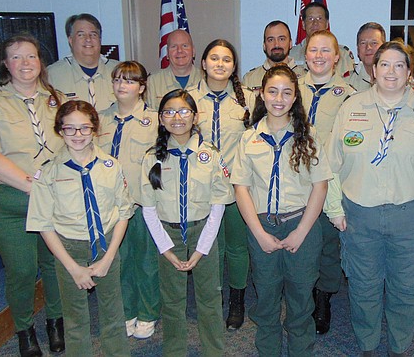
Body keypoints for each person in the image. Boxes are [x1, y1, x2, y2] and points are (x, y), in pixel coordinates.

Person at [324, 41, 414, 355]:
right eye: (385, 64)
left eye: (399, 65)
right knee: (363, 286)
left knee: (407, 289)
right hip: (360, 214)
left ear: (410, 72)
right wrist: (333, 208)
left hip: (412, 215)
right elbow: (331, 164)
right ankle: (368, 345)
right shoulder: (351, 107)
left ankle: (399, 346)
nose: (391, 71)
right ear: (373, 70)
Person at [0, 34, 65, 357]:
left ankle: (56, 322)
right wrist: (31, 186)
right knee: (22, 268)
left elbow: (74, 142)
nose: (25, 64)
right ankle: (24, 329)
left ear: (40, 62)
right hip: (8, 200)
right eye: (16, 57)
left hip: (52, 196)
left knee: (54, 263)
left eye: (31, 57)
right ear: (6, 64)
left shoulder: (56, 98)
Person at [231, 64, 331, 356]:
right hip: (262, 227)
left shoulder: (308, 135)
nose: (279, 98)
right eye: (272, 91)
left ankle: (301, 349)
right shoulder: (249, 138)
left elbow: (320, 187)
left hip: (301, 225)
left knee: (301, 298)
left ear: (295, 97)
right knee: (267, 297)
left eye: (287, 92)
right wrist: (259, 233)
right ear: (261, 94)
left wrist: (301, 232)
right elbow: (241, 189)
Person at [26, 100, 132, 357]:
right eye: (70, 129)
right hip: (68, 248)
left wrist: (108, 258)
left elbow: (123, 213)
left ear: (94, 129)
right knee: (75, 318)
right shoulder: (49, 172)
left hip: (106, 244)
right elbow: (43, 224)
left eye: (84, 128)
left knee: (113, 312)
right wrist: (72, 268)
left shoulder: (111, 166)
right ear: (60, 131)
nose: (77, 135)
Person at [140, 89, 231, 356]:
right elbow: (148, 208)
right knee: (172, 301)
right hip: (167, 237)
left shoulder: (210, 154)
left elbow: (218, 204)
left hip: (204, 233)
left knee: (210, 298)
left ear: (195, 115)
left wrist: (202, 248)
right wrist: (166, 250)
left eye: (183, 111)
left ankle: (214, 350)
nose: (176, 117)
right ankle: (174, 350)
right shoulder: (151, 157)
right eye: (168, 111)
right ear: (160, 118)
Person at [188, 39, 252, 331]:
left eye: (226, 60)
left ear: (233, 66)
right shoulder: (187, 99)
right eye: (214, 58)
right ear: (203, 63)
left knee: (237, 248)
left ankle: (237, 300)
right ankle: (211, 300)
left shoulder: (248, 100)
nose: (220, 64)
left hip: (237, 187)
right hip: (201, 188)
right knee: (211, 247)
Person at [298, 29, 356, 334]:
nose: (318, 56)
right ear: (305, 55)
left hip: (331, 181)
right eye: (313, 50)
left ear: (336, 58)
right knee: (302, 240)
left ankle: (324, 297)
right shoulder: (290, 89)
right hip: (297, 181)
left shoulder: (348, 96)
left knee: (329, 243)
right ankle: (303, 295)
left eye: (325, 51)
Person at [98, 61, 161, 339]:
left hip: (140, 204)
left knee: (145, 261)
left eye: (130, 80)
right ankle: (126, 311)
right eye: (117, 80)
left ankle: (147, 312)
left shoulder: (157, 121)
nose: (122, 85)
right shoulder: (99, 120)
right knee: (118, 261)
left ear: (142, 87)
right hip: (109, 207)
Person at [48, 13, 119, 112]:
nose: (88, 39)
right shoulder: (52, 75)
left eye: (93, 34)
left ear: (100, 39)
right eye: (81, 35)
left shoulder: (119, 71)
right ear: (71, 40)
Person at [289, 1, 355, 78]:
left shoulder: (343, 54)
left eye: (319, 18)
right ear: (303, 25)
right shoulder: (291, 55)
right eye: (310, 19)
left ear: (327, 24)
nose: (315, 23)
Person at [146, 29, 203, 110]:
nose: (179, 50)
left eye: (185, 46)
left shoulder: (206, 79)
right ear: (167, 54)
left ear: (193, 51)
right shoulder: (152, 82)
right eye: (174, 47)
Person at [243, 20, 305, 92]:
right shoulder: (250, 79)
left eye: (281, 39)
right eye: (271, 40)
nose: (276, 44)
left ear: (290, 43)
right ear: (264, 46)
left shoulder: (305, 76)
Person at [347, 22, 385, 91]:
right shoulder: (346, 82)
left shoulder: (397, 79)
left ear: (384, 48)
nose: (368, 47)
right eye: (363, 43)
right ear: (358, 49)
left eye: (374, 43)